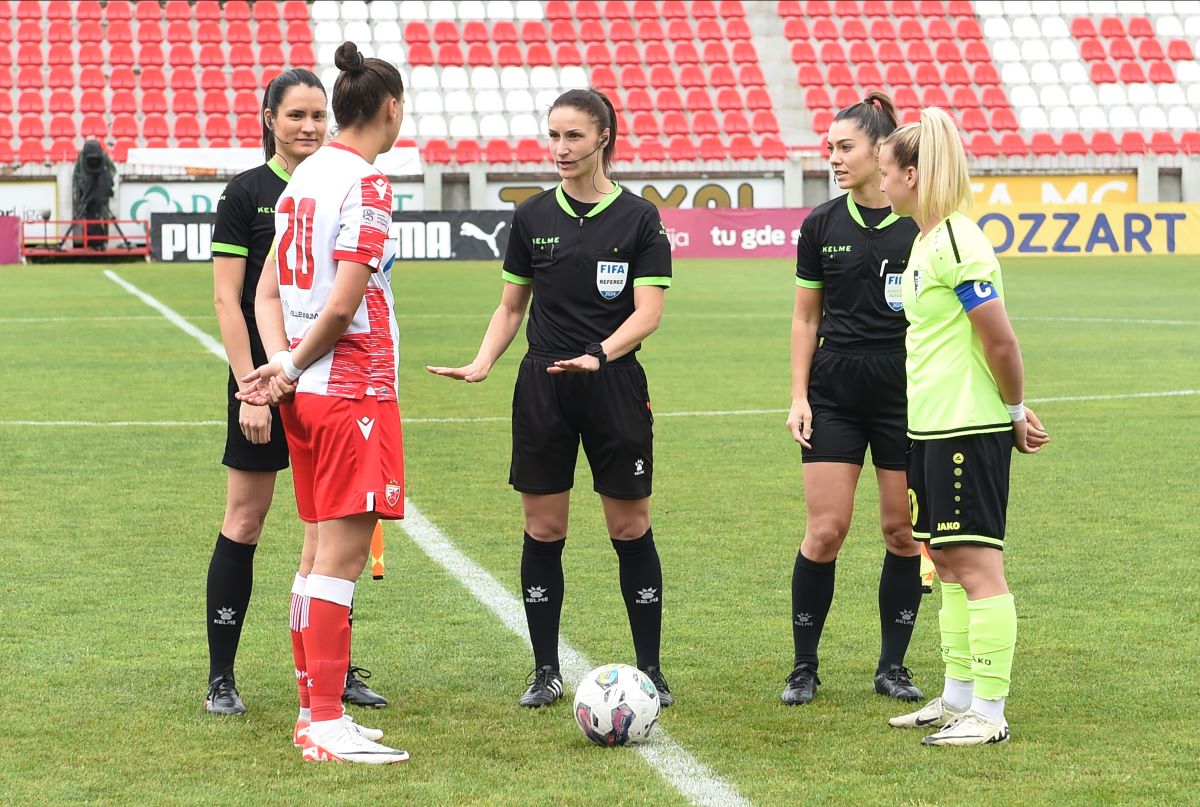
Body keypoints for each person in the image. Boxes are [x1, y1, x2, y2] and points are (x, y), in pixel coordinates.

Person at [427, 88, 674, 709]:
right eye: (554, 136)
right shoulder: (532, 215)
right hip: (543, 386)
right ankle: (544, 670)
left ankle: (651, 668)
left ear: (603, 139)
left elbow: (649, 313)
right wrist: (484, 361)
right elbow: (512, 305)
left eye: (573, 136)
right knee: (544, 527)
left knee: (630, 525)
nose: (561, 149)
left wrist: (600, 354)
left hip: (614, 383)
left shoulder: (640, 218)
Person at [237, 42, 409, 764]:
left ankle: (314, 711)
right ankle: (328, 721)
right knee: (336, 560)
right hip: (352, 390)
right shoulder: (366, 183)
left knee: (313, 559)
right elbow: (342, 305)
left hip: (310, 395)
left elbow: (266, 290)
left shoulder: (301, 180)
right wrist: (297, 361)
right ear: (391, 109)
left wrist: (282, 366)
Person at [206, 67, 388, 716]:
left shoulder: (335, 180)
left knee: (328, 530)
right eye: (295, 117)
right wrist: (252, 386)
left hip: (322, 380)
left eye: (318, 117)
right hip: (266, 380)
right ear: (269, 119)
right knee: (247, 518)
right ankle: (222, 674)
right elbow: (233, 299)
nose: (308, 127)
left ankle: (330, 674)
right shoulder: (250, 193)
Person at [877, 107, 1049, 746]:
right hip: (928, 428)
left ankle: (991, 714)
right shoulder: (925, 241)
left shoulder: (957, 241)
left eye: (889, 171)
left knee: (976, 565)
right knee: (944, 561)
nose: (881, 182)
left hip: (964, 428)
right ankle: (956, 698)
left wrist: (1011, 411)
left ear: (913, 175)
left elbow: (1000, 340)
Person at [782, 93, 926, 706]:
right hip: (834, 395)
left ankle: (892, 667)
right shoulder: (821, 224)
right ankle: (804, 666)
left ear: (880, 151)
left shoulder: (923, 226)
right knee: (826, 531)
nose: (834, 158)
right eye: (831, 148)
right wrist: (798, 396)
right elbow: (805, 318)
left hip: (904, 396)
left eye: (846, 148)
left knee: (901, 533)